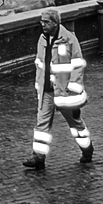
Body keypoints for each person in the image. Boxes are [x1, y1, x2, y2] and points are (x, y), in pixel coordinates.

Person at [23, 9, 93, 171]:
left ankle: (87, 149)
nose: (43, 25)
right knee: (42, 124)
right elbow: (40, 64)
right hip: (47, 90)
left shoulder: (69, 39)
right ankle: (38, 157)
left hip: (64, 93)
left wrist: (73, 90)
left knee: (75, 124)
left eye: (46, 22)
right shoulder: (42, 39)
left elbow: (77, 65)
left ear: (56, 23)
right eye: (41, 21)